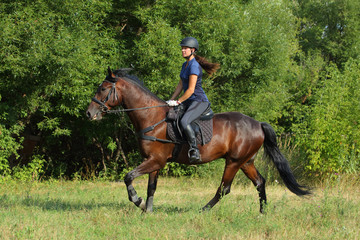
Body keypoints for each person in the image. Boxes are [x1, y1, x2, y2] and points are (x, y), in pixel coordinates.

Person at [166, 37, 219, 163]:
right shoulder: (185, 65)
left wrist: (178, 102)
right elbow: (180, 85)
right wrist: (170, 100)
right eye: (182, 48)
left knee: (184, 121)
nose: (182, 50)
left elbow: (190, 90)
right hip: (189, 101)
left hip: (199, 101)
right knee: (172, 116)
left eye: (185, 48)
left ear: (192, 50)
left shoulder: (194, 66)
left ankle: (194, 150)